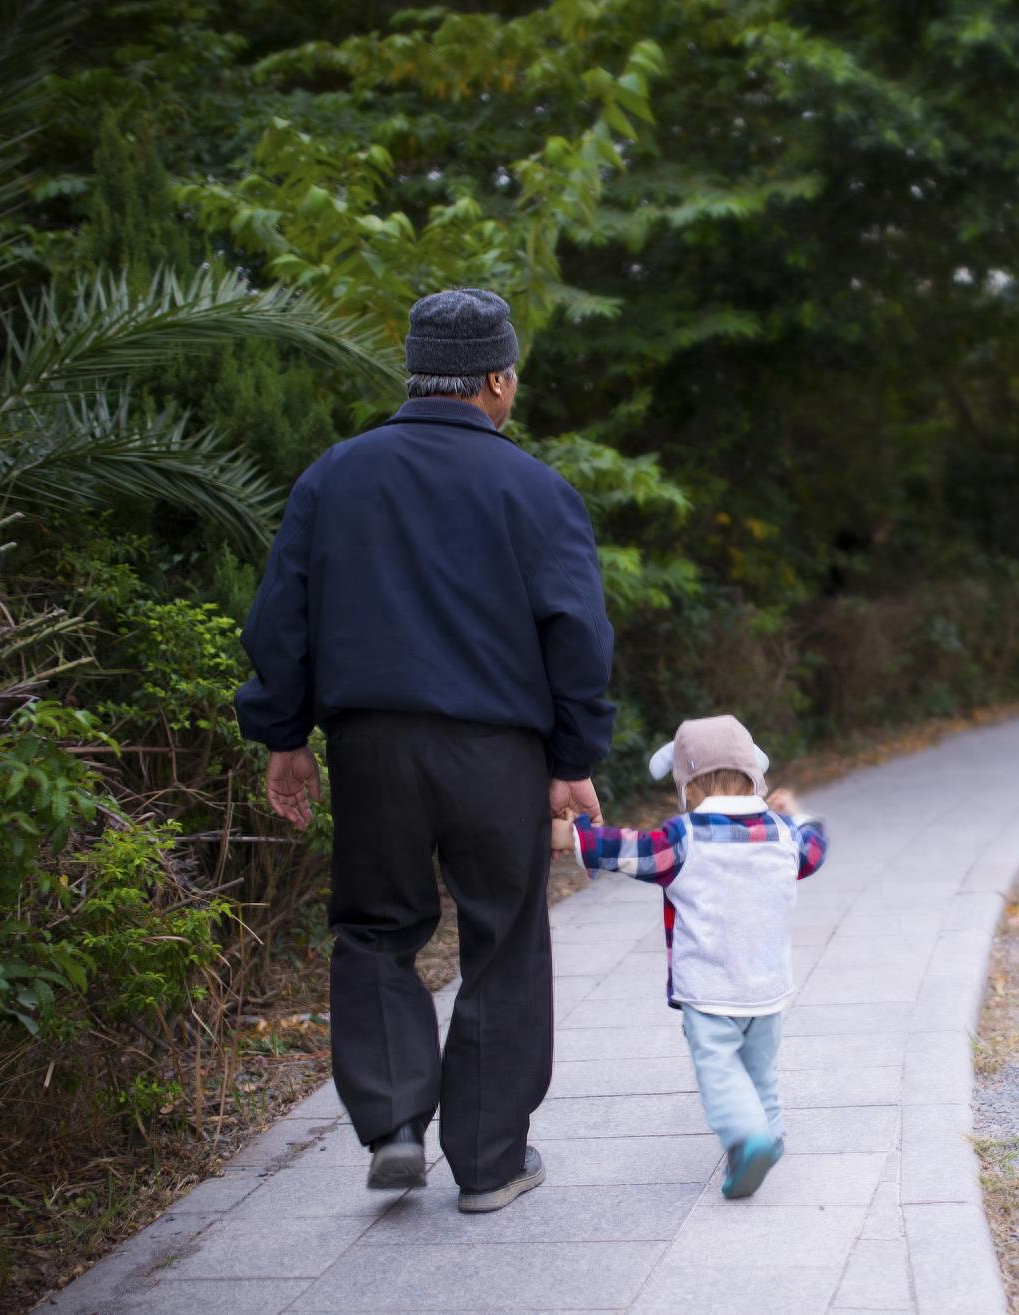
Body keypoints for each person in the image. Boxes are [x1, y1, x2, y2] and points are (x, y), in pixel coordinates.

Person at [234, 288, 615, 1214]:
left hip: (372, 746)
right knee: (503, 939)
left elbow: (281, 618)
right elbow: (577, 633)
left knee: (374, 929)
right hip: (497, 752)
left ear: (414, 373)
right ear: (497, 380)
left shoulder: (336, 477)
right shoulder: (533, 488)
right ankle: (488, 1163)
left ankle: (396, 1125)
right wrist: (573, 757)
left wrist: (284, 735)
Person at [552, 715, 827, 1198]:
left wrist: (572, 836)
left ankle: (749, 1139)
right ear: (754, 778)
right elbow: (815, 851)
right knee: (760, 1071)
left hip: (709, 991)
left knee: (719, 1072)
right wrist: (799, 816)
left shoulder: (683, 838)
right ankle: (770, 1133)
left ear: (688, 787)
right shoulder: (783, 835)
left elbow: (626, 850)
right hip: (768, 990)